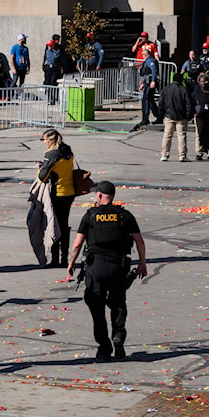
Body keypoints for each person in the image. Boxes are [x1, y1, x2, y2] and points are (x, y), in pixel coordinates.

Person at [66, 181, 147, 361]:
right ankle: (118, 335)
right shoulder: (124, 216)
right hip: (118, 267)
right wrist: (142, 263)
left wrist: (71, 263)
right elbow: (139, 241)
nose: (95, 196)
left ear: (101, 196)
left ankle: (104, 347)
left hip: (96, 267)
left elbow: (78, 243)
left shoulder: (90, 216)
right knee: (118, 303)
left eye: (96, 193)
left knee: (97, 307)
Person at [36, 128, 75, 268]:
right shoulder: (67, 150)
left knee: (53, 225)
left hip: (57, 193)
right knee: (64, 225)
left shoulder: (51, 154)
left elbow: (42, 177)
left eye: (45, 140)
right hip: (69, 191)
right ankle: (64, 257)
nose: (44, 143)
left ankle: (55, 259)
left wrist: (39, 167)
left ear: (51, 140)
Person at [158, 73, 194, 162]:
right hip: (181, 117)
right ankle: (182, 156)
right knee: (181, 136)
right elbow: (188, 104)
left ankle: (164, 154)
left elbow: (161, 103)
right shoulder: (184, 90)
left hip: (168, 115)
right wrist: (188, 116)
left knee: (167, 135)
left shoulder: (166, 89)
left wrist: (161, 114)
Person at [132, 53, 161, 131]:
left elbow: (154, 71)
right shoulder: (147, 61)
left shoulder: (150, 61)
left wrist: (153, 81)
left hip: (150, 83)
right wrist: (143, 84)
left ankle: (145, 118)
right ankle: (158, 116)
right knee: (150, 100)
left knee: (146, 99)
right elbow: (145, 74)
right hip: (147, 83)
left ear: (144, 55)